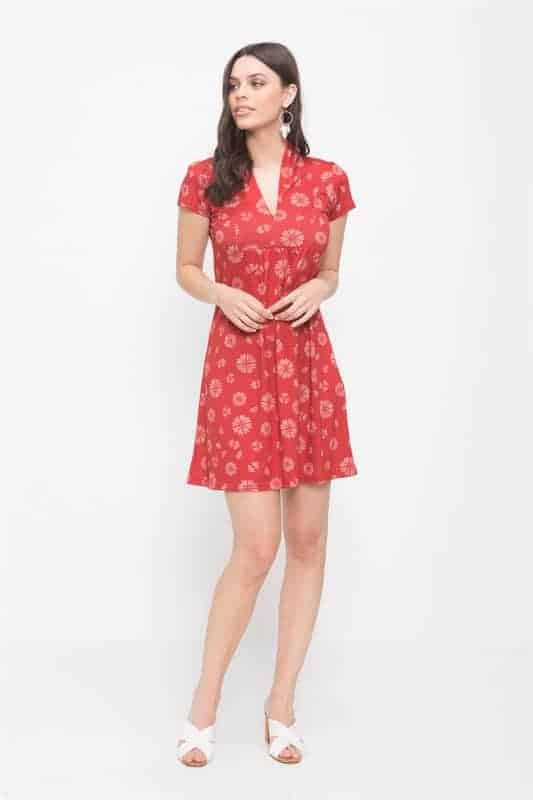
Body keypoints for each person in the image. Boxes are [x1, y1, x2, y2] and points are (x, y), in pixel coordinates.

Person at [175, 41, 359, 766]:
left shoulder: (328, 180)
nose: (240, 95)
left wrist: (321, 286)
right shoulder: (205, 179)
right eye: (232, 85)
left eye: (255, 82)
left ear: (289, 94)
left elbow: (332, 270)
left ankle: (282, 704)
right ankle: (204, 703)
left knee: (308, 542)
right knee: (256, 548)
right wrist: (220, 292)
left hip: (308, 364)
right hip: (239, 365)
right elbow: (186, 268)